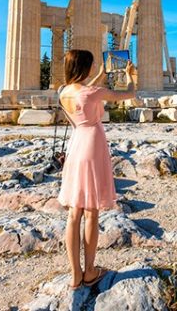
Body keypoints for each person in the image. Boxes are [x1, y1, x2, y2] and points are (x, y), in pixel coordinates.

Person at [57, 49, 136, 289]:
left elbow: (83, 94)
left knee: (74, 213)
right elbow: (129, 94)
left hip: (76, 146)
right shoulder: (95, 92)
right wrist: (132, 76)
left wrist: (101, 74)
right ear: (84, 67)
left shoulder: (64, 93)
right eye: (92, 65)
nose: (94, 68)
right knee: (91, 212)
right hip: (93, 147)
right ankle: (90, 270)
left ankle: (74, 274)